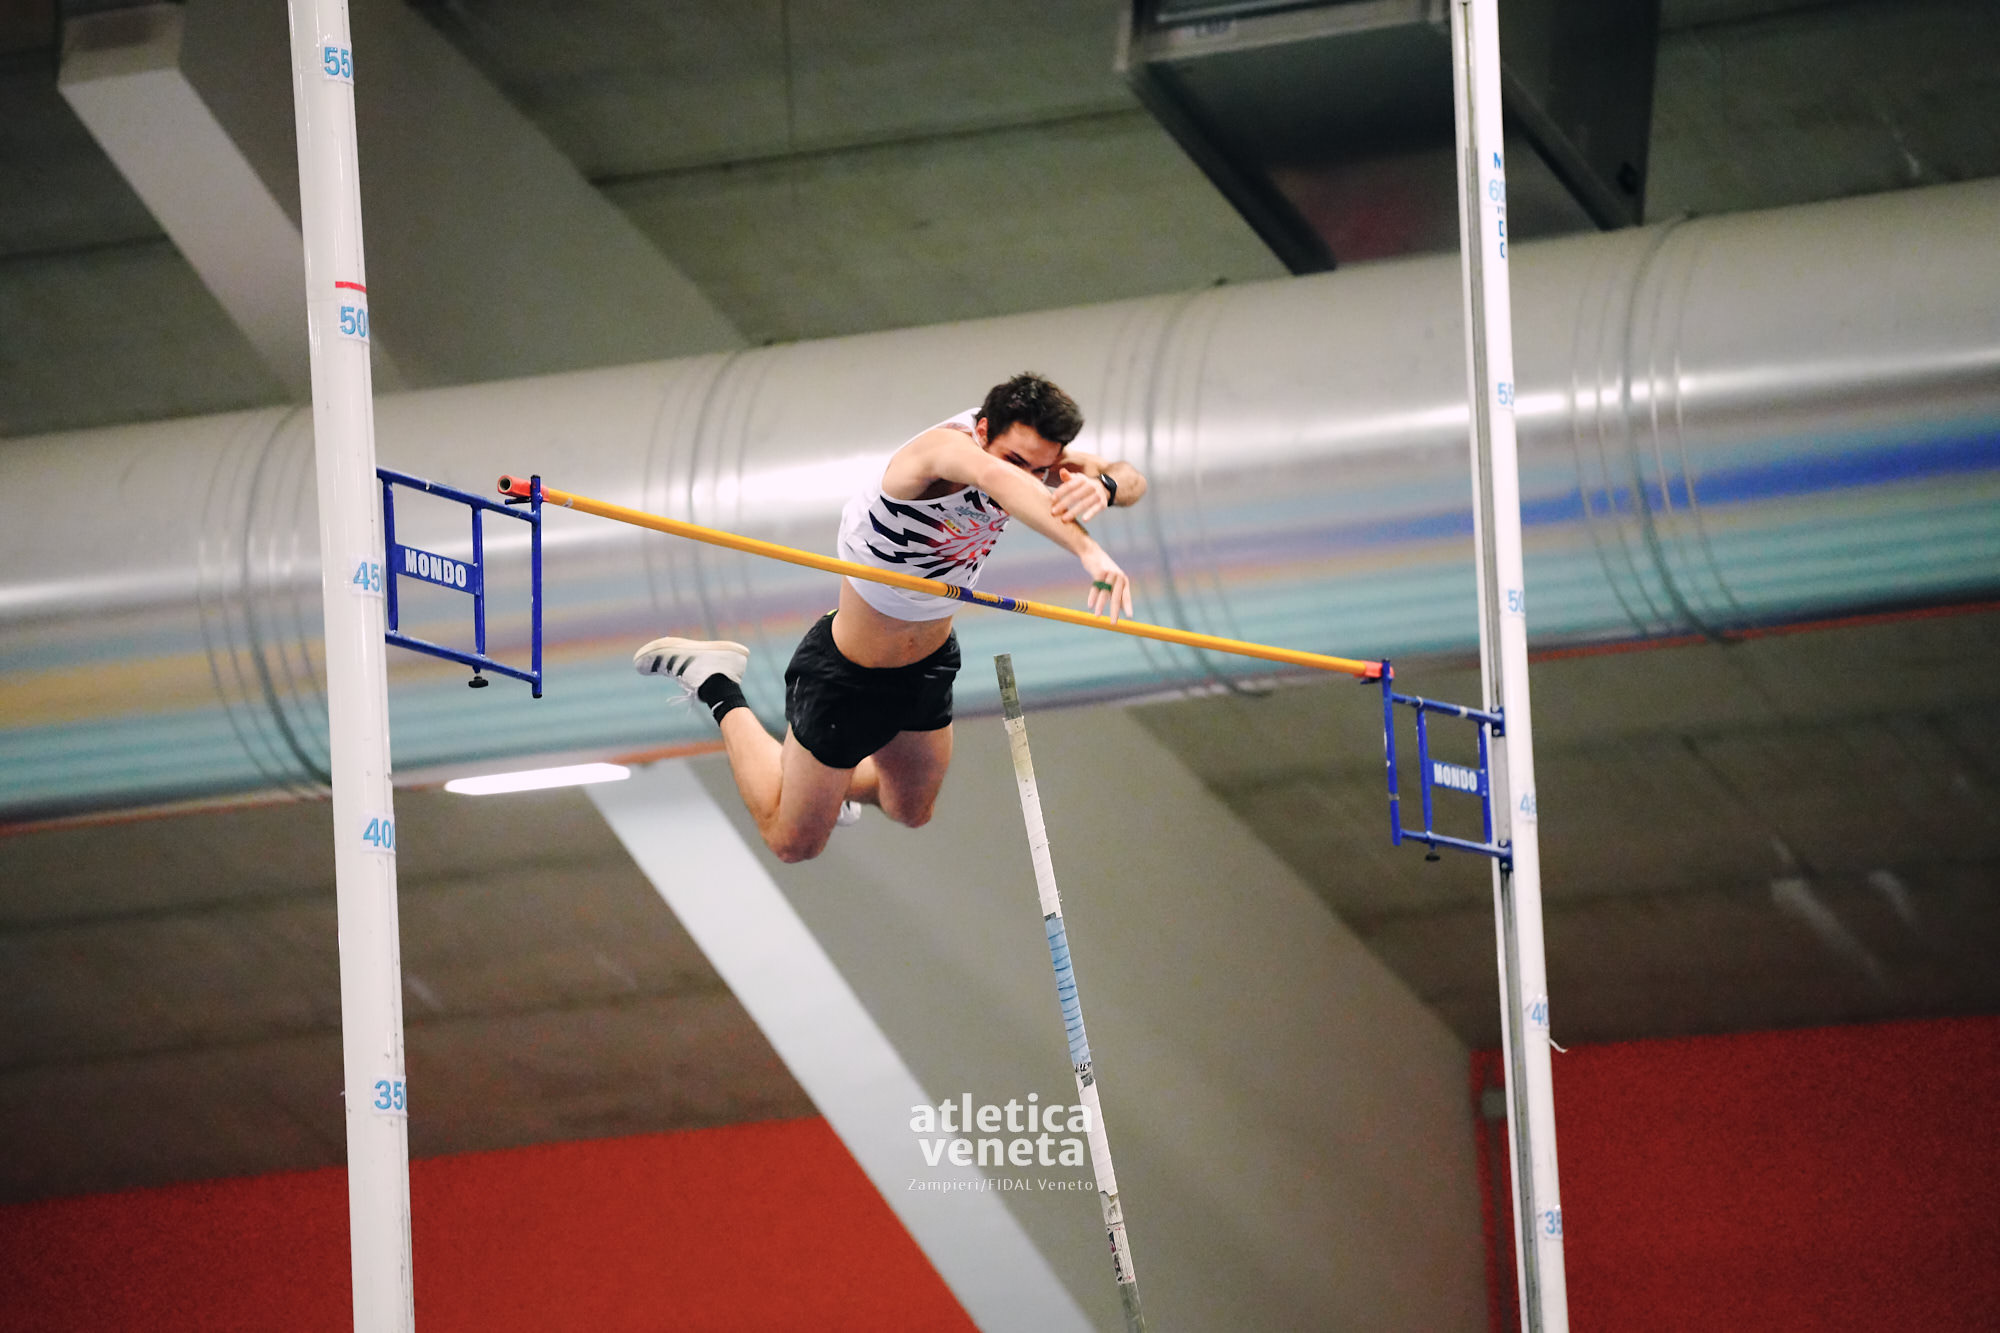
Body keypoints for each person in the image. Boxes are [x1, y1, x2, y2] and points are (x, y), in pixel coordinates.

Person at [635, 372, 1148, 863]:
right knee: (793, 844)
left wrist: (1103, 485)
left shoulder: (1030, 463)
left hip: (928, 665)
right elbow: (997, 478)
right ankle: (718, 684)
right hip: (846, 677)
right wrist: (1090, 553)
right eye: (1017, 461)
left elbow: (1132, 478)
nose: (1029, 476)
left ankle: (825, 787)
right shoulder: (942, 451)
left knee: (910, 810)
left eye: (1040, 469)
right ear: (982, 432)